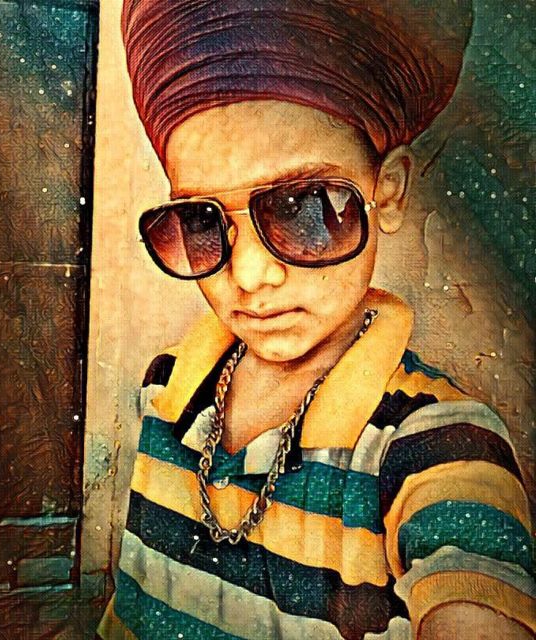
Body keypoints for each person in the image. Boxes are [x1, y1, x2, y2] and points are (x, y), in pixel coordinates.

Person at [98, 1, 535, 638]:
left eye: (303, 208)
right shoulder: (166, 389)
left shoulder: (436, 446)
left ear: (388, 192)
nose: (250, 276)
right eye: (200, 221)